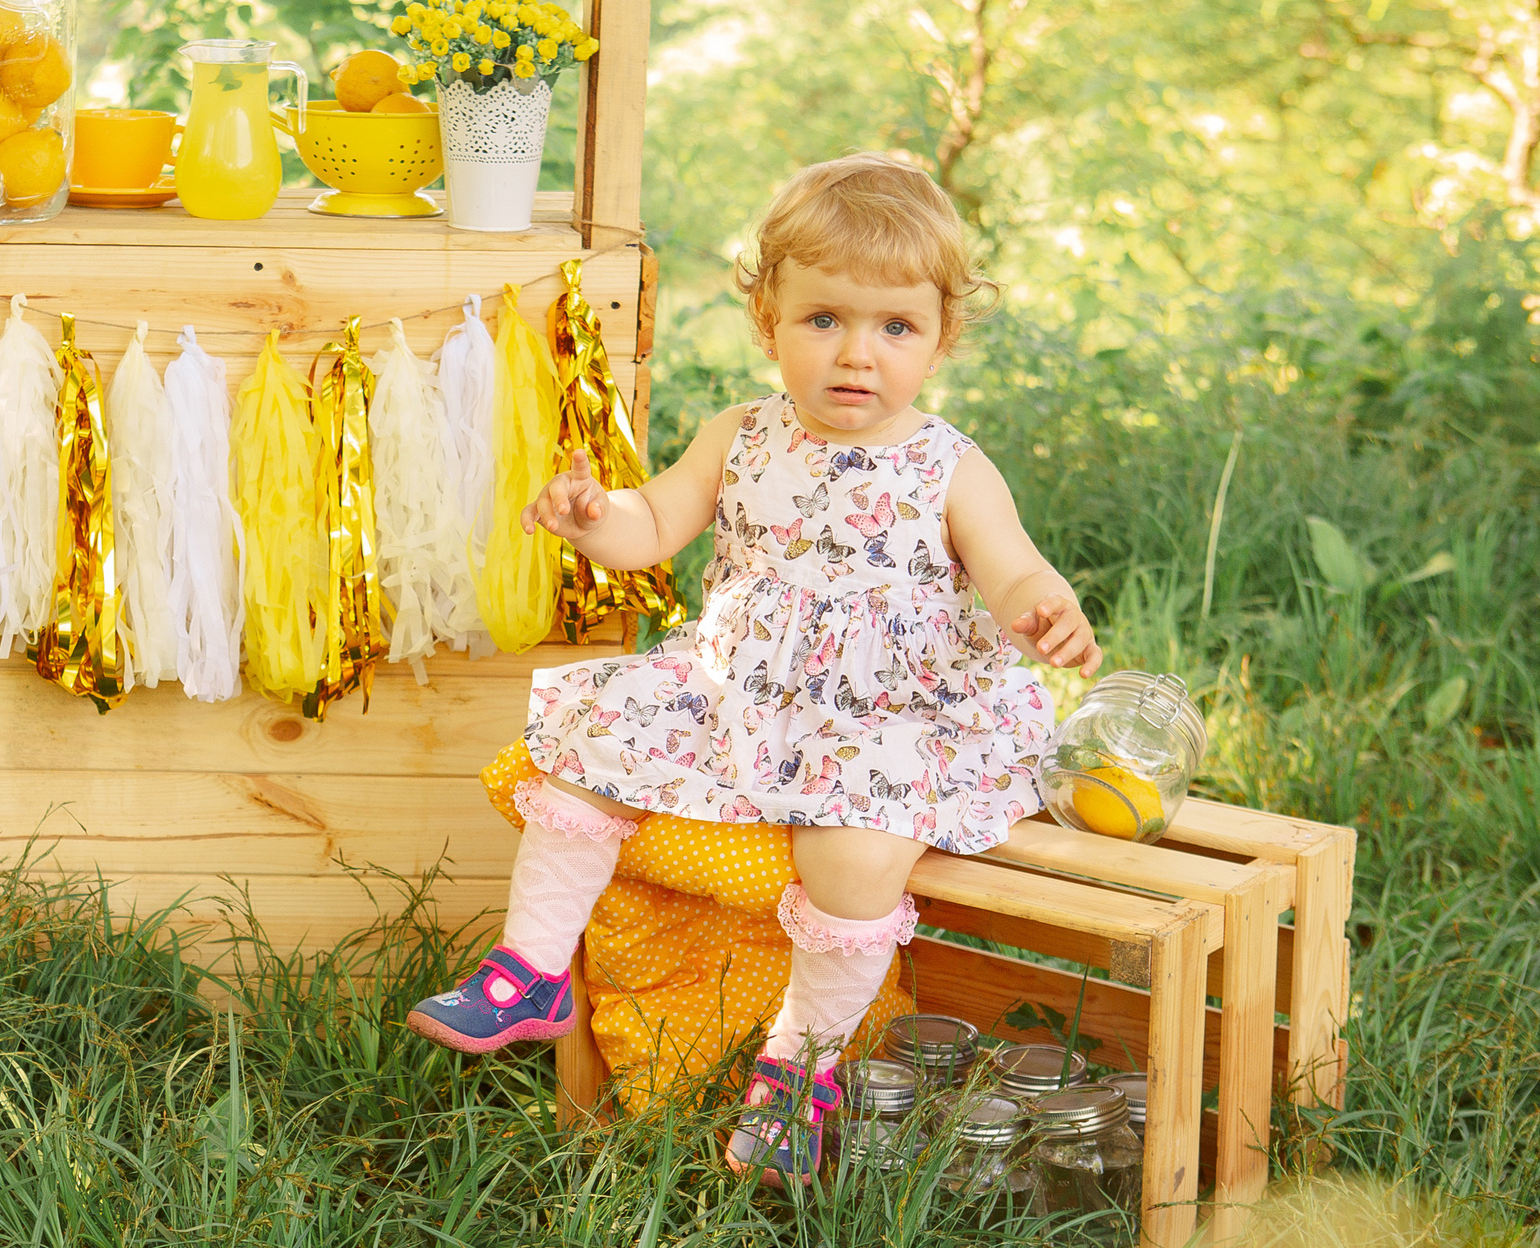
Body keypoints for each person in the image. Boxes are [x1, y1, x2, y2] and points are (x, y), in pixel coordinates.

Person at [406, 152, 1102, 1183]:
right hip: (745, 688)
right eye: (823, 319)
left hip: (894, 713)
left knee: (855, 859)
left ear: (942, 337)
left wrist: (1041, 611)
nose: (855, 354)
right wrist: (598, 520)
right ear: (766, 315)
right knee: (590, 735)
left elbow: (1010, 567)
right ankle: (532, 968)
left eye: (894, 328)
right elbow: (654, 525)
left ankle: (797, 1075)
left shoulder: (949, 464)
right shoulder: (738, 434)